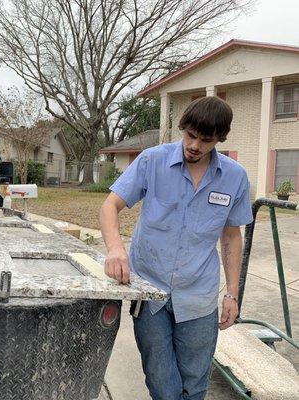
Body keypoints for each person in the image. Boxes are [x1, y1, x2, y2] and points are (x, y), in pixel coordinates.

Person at [99, 96, 253, 400]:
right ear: (183, 129)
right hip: (150, 290)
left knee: (194, 381)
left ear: (219, 139)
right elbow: (110, 205)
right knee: (159, 378)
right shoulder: (151, 161)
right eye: (190, 135)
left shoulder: (235, 177)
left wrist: (233, 294)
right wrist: (115, 249)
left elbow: (232, 236)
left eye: (205, 140)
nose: (194, 145)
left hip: (199, 294)